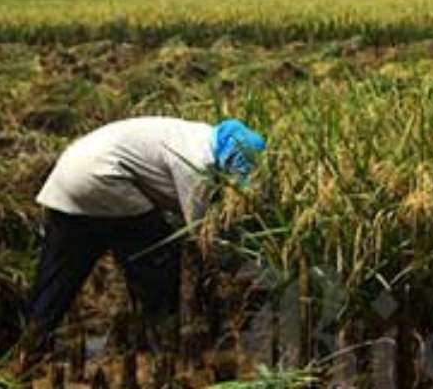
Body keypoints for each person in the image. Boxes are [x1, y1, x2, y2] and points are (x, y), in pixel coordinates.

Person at [20, 117, 265, 357]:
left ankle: (30, 345)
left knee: (59, 274)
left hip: (70, 173)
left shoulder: (202, 137)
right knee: (158, 260)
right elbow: (202, 230)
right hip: (104, 177)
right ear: (230, 162)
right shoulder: (198, 163)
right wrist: (235, 265)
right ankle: (162, 346)